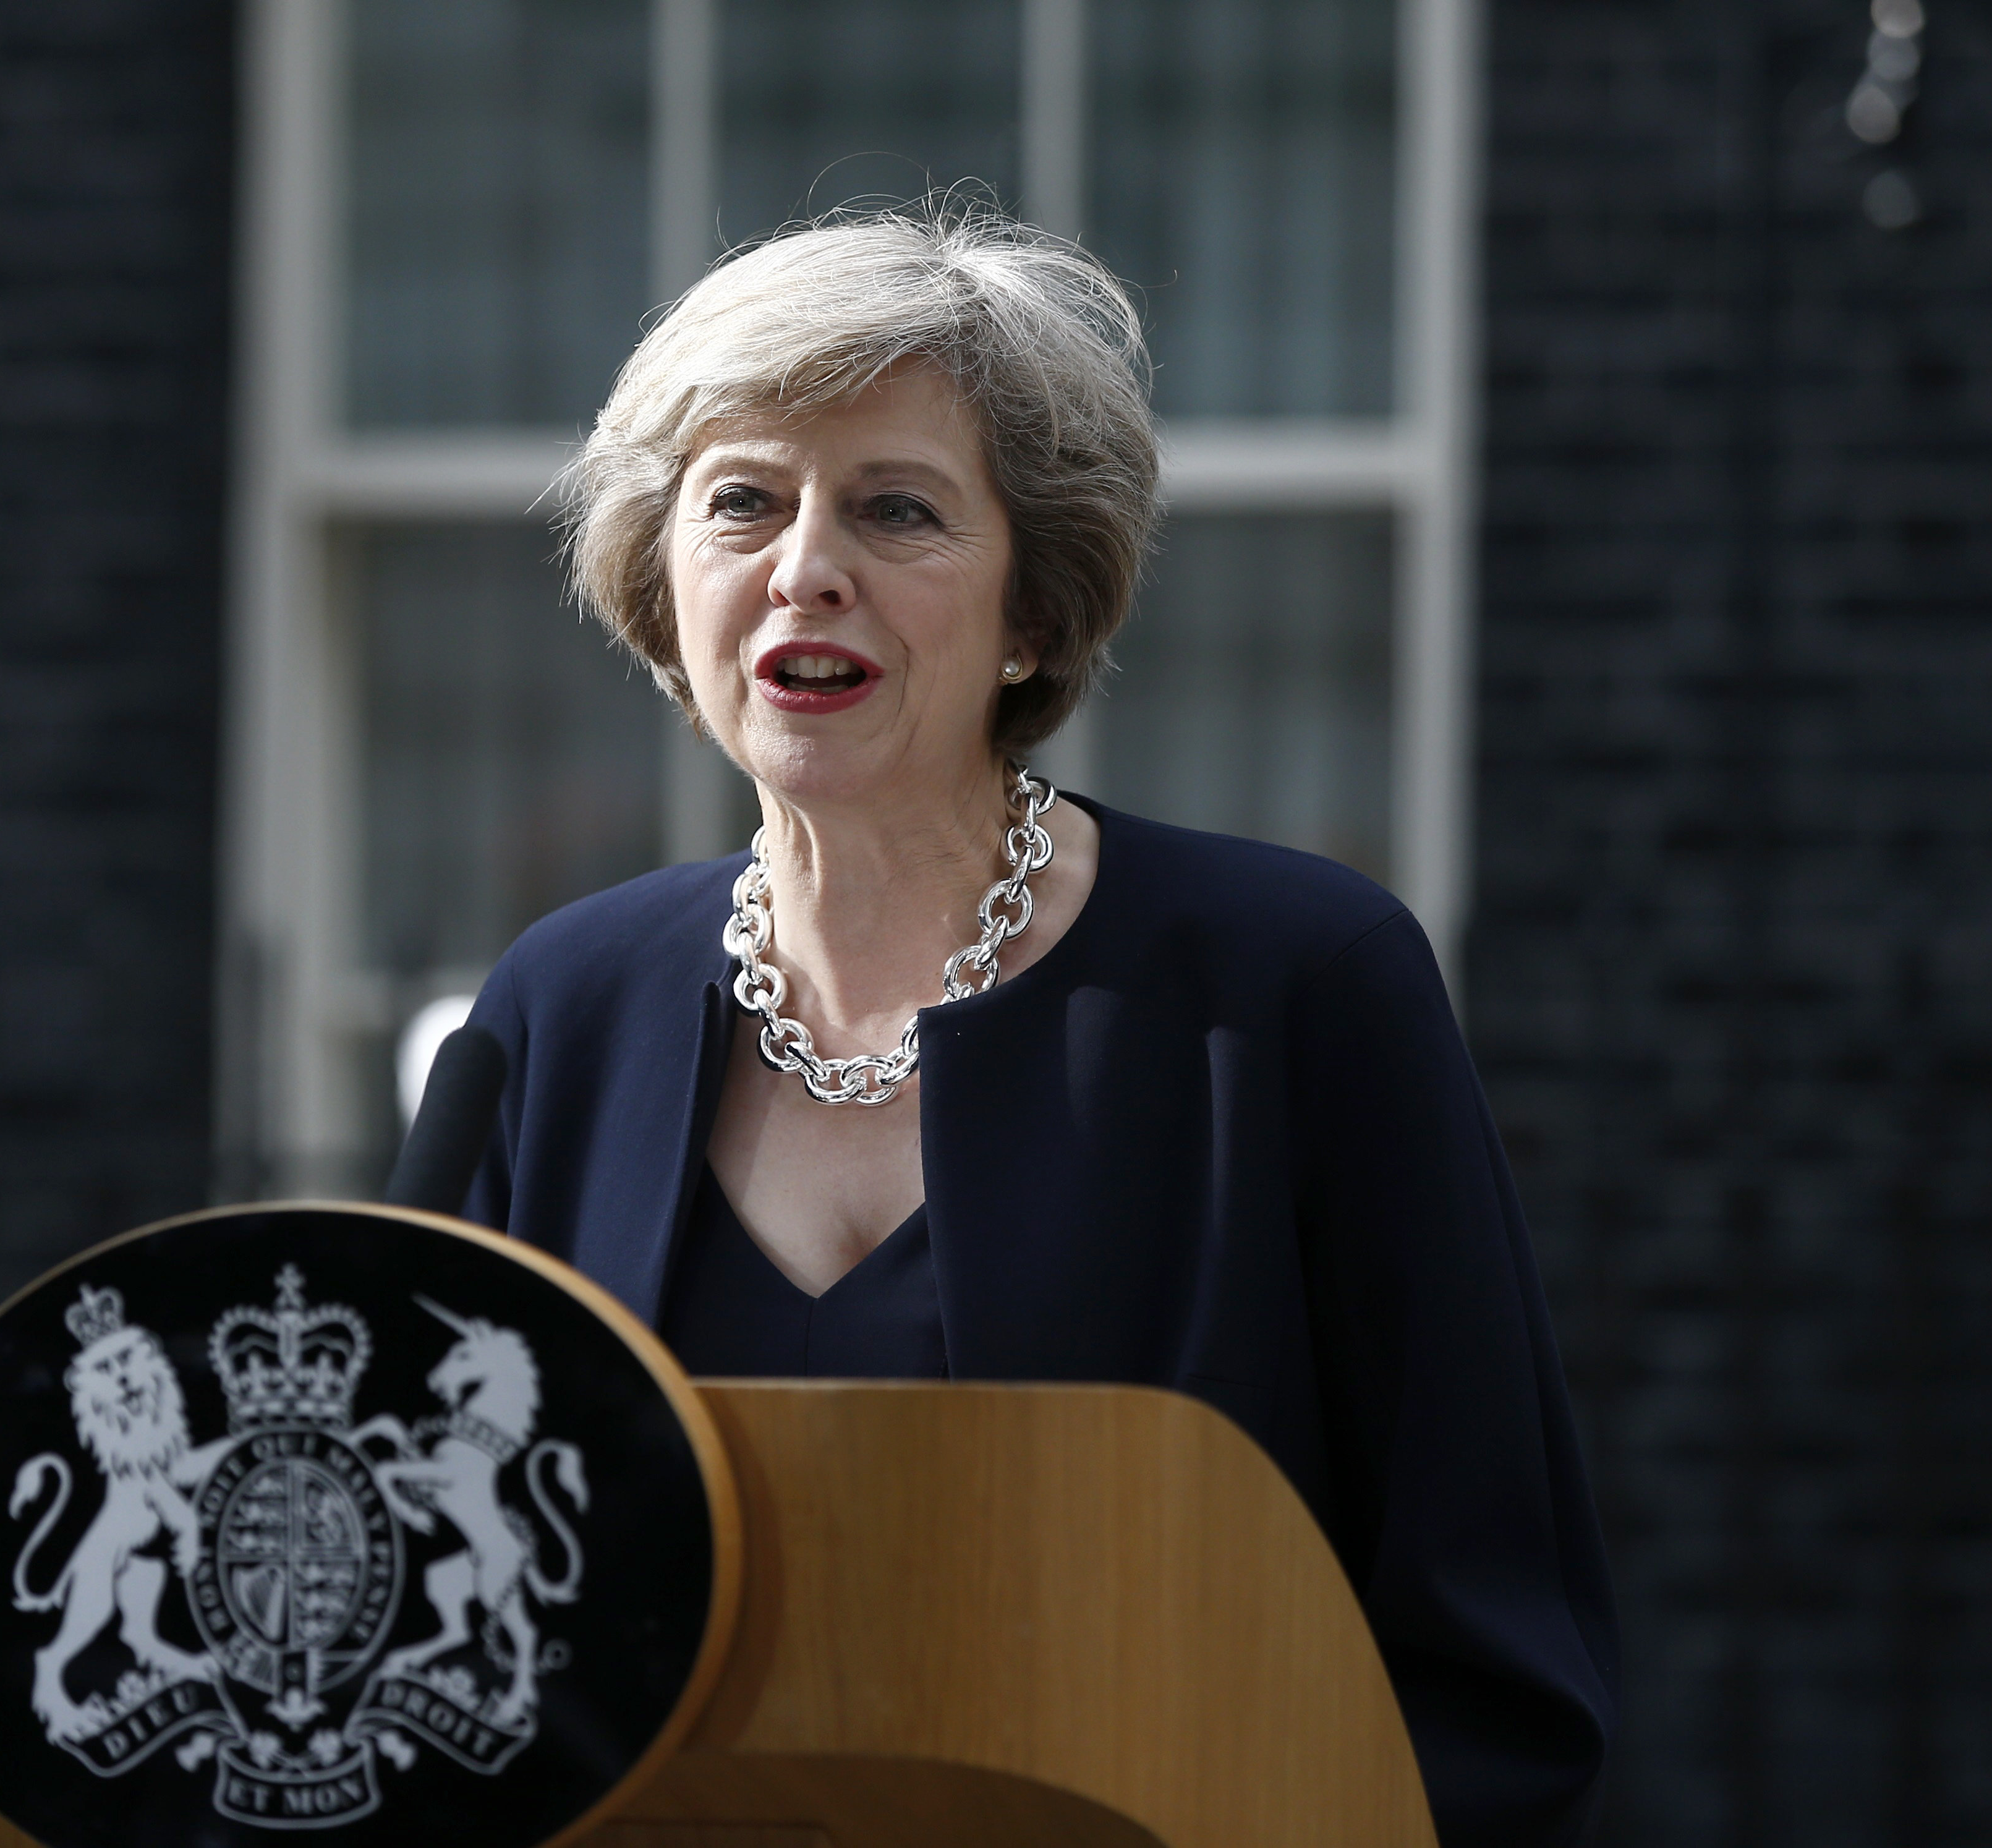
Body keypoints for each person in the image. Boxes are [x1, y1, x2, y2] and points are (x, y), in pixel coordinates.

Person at [456, 207, 1617, 1847]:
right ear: (664, 588)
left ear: (1031, 608)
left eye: (895, 510)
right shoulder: (557, 1013)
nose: (806, 568)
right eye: (741, 504)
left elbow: (1490, 1653)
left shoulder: (1292, 982)